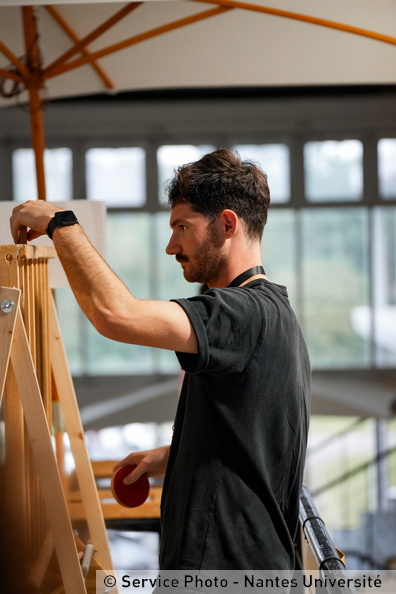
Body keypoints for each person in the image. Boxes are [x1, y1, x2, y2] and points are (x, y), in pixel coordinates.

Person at [10, 148, 311, 571]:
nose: (172, 246)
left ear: (227, 224)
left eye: (182, 227)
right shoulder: (273, 312)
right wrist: (175, 455)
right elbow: (256, 430)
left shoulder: (241, 314)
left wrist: (61, 225)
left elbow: (117, 315)